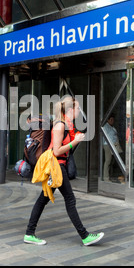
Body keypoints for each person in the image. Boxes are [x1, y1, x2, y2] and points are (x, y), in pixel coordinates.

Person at [24, 96, 104, 246]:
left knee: (43, 199)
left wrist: (75, 140)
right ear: (70, 110)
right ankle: (85, 236)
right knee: (70, 199)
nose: (79, 111)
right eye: (78, 108)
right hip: (55, 167)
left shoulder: (67, 126)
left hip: (58, 166)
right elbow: (57, 150)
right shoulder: (60, 126)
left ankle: (29, 233)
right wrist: (75, 142)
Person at [102, 115, 122, 182]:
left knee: (112, 161)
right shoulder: (105, 127)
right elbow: (104, 137)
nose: (112, 121)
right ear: (108, 120)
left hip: (114, 145)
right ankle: (106, 177)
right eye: (111, 120)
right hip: (108, 145)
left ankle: (110, 176)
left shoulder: (112, 127)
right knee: (108, 161)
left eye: (113, 120)